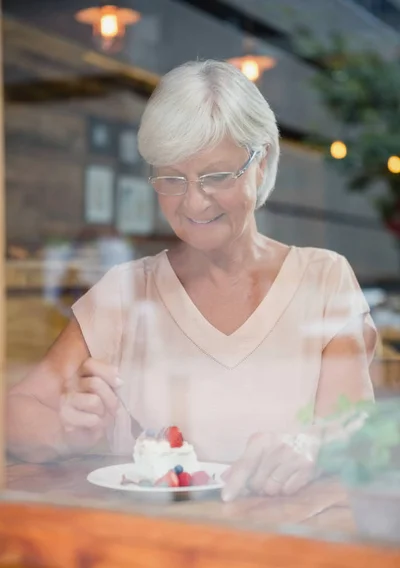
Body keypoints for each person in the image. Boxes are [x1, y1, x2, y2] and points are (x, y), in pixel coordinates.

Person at [6, 60, 377, 501]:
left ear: (262, 164)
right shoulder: (127, 292)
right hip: (148, 550)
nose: (194, 201)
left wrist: (311, 445)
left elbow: (358, 430)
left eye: (216, 176)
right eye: (171, 178)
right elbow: (16, 413)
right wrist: (67, 432)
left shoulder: (324, 278)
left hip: (288, 550)